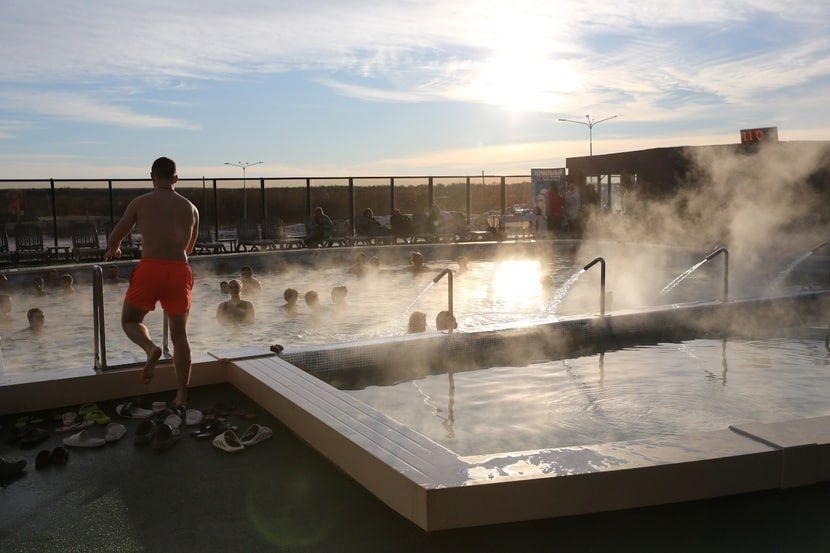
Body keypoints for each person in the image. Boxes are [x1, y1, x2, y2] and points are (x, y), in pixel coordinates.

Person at [104, 156, 199, 408]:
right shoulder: (191, 208)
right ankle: (181, 395)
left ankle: (150, 348)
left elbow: (115, 236)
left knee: (130, 320)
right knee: (180, 336)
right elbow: (189, 247)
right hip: (179, 270)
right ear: (176, 178)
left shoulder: (141, 202)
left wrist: (115, 249)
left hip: (151, 268)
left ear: (152, 177)